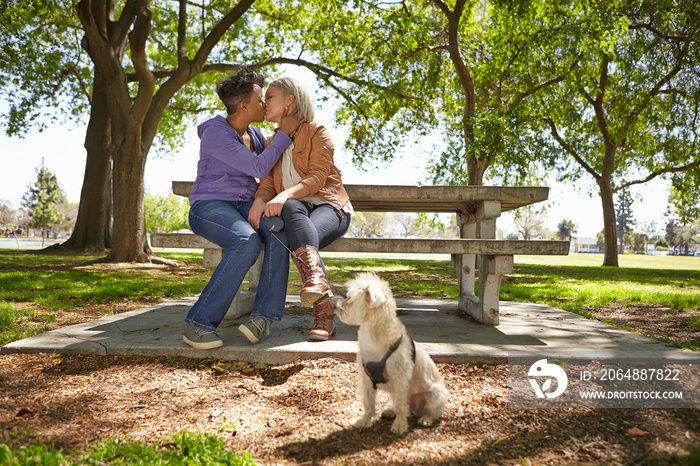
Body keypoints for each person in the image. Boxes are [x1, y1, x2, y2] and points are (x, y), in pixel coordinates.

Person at [183, 69, 302, 350]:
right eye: (261, 99)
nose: (265, 105)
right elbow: (259, 167)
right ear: (244, 106)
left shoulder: (254, 133)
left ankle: (261, 319)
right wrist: (284, 134)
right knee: (245, 241)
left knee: (277, 233)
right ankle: (198, 324)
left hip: (244, 206)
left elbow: (267, 173)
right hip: (210, 206)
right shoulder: (215, 133)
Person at [249, 77, 353, 341]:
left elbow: (318, 178)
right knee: (294, 213)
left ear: (289, 101)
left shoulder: (317, 131)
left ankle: (322, 315)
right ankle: (323, 306)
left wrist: (283, 195)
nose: (264, 103)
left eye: (269, 97)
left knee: (295, 226)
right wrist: (260, 201)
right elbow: (267, 185)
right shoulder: (272, 142)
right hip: (296, 211)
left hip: (331, 208)